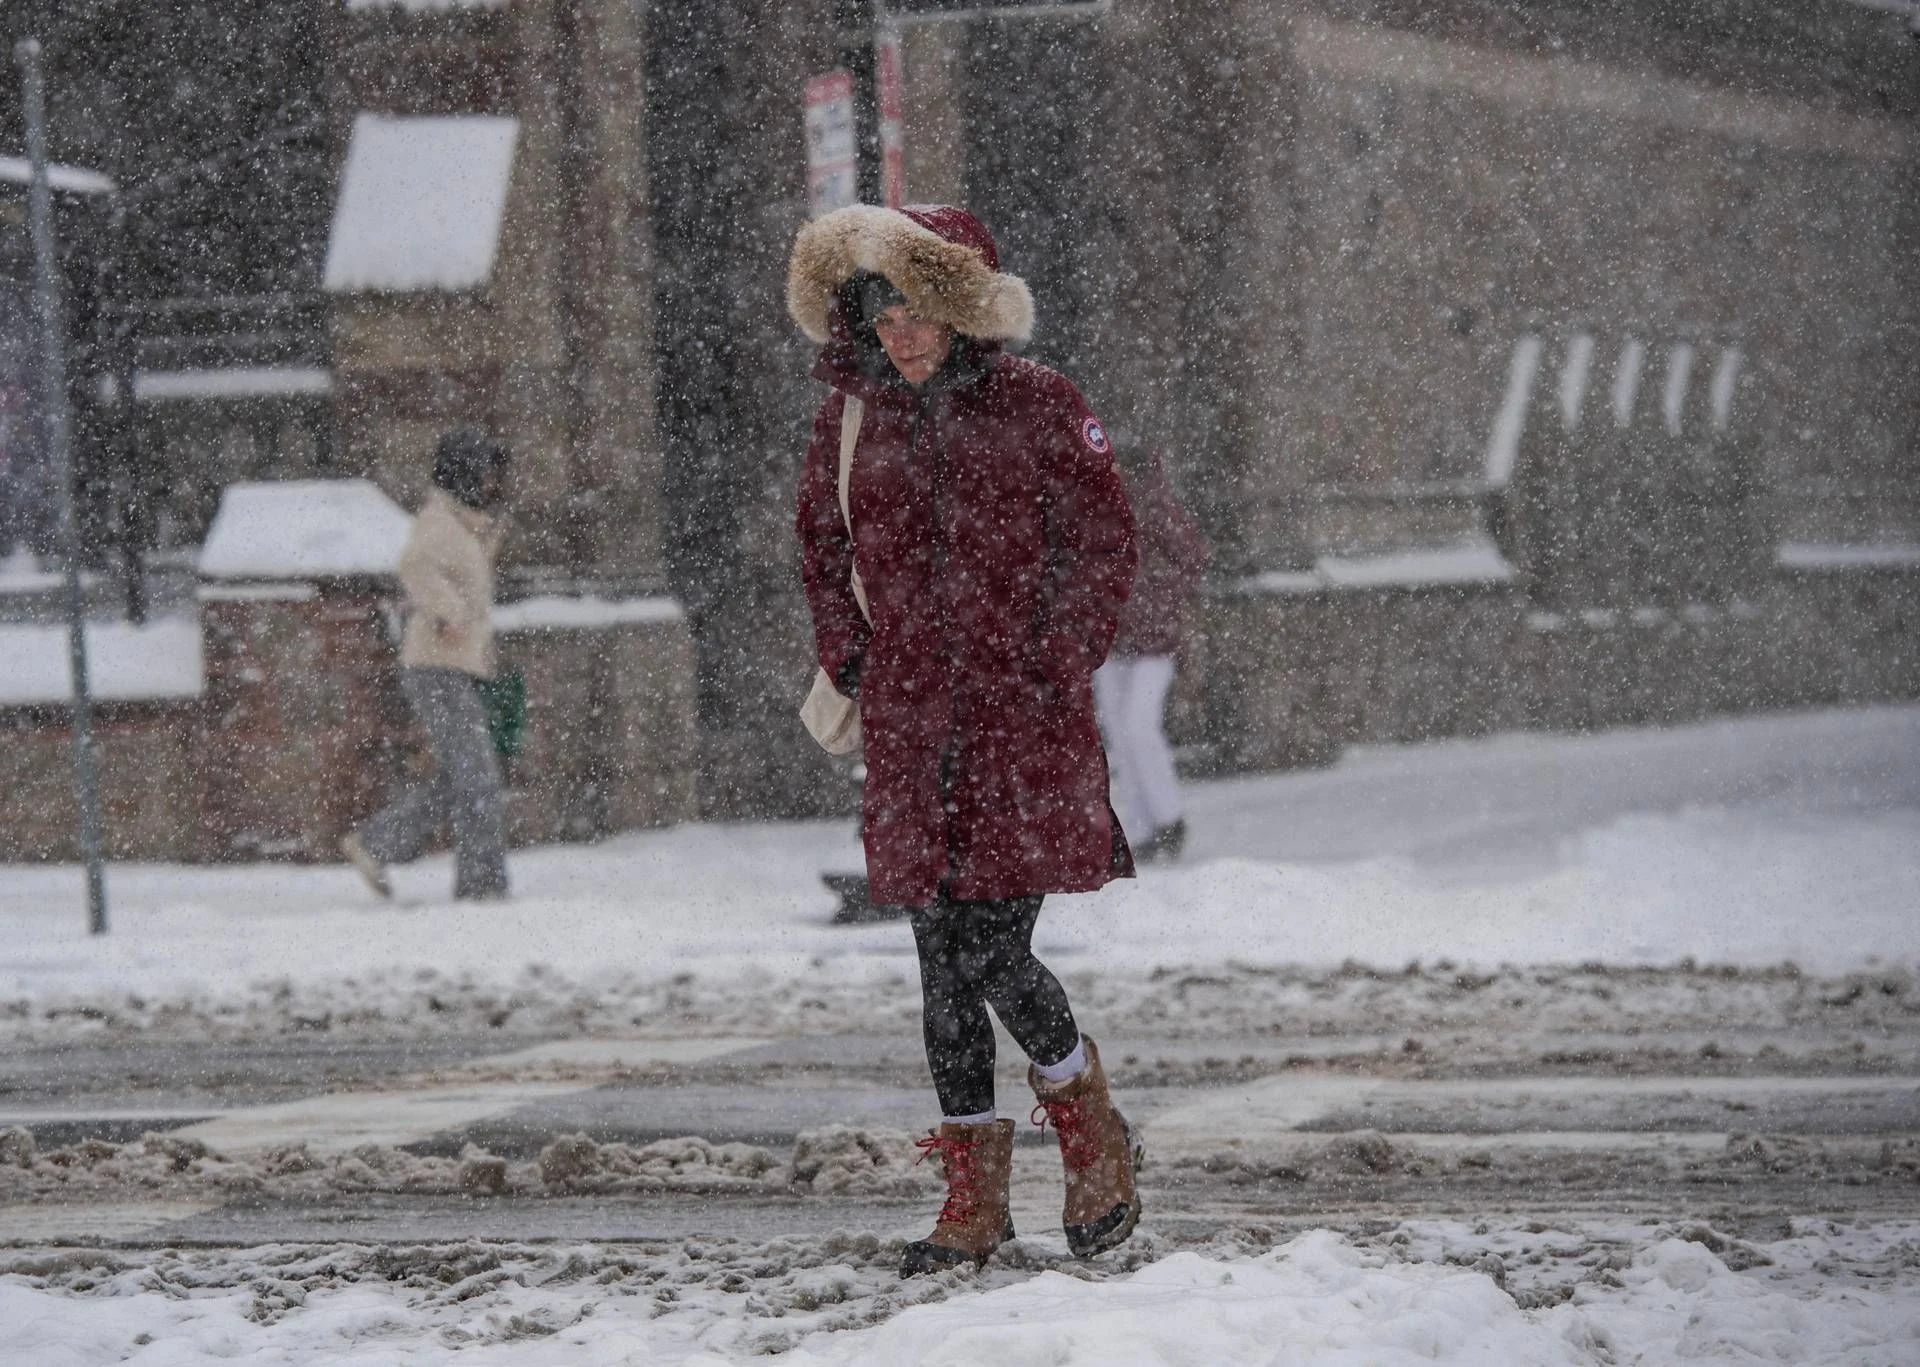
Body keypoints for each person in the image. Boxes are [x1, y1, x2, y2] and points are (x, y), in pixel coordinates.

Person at [789, 203, 1142, 1276]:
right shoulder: (853, 419)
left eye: (920, 309)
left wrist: (1053, 654)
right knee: (939, 963)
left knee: (993, 944)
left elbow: (1104, 540)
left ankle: (1091, 1128)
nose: (901, 333)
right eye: (883, 311)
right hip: (909, 723)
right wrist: (853, 656)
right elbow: (819, 544)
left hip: (1017, 721)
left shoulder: (1040, 405)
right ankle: (972, 1198)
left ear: (963, 309)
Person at [342, 428, 511, 902]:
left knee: (466, 776)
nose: (491, 484)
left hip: (456, 667)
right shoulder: (439, 521)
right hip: (436, 668)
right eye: (485, 473)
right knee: (477, 777)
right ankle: (482, 889)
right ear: (464, 473)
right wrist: (450, 612)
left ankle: (376, 845)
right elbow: (413, 567)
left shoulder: (461, 524)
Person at [1093, 448, 1209, 861]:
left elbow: (1193, 557)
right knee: (1119, 733)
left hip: (1153, 640)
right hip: (1111, 637)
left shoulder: (1154, 504)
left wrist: (1156, 593)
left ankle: (1169, 817)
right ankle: (1140, 827)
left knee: (1138, 724)